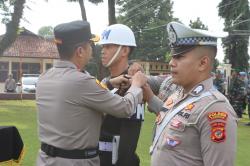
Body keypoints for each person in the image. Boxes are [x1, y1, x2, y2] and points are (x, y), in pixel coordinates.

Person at [35, 20, 147, 166]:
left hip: (46, 159)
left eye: (107, 46)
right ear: (80, 51)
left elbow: (77, 96)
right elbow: (124, 108)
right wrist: (137, 85)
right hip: (76, 161)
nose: (97, 50)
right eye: (90, 45)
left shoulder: (44, 78)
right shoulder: (82, 81)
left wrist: (109, 83)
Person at [143, 21, 237, 166]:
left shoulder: (215, 108)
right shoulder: (176, 96)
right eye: (173, 56)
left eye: (179, 57)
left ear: (203, 63)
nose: (171, 63)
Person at [98, 24, 144, 166]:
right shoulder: (106, 83)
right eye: (102, 47)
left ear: (124, 50)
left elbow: (128, 142)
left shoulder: (132, 85)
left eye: (108, 46)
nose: (103, 51)